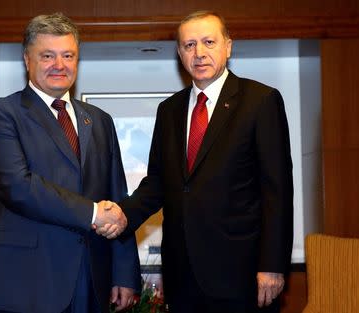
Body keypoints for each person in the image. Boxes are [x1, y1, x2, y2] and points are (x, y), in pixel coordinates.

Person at [97, 10, 294, 313]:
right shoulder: (169, 110)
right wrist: (122, 214)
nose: (199, 53)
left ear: (228, 46)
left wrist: (272, 266)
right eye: (189, 45)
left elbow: (277, 191)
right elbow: (158, 183)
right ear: (179, 53)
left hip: (243, 277)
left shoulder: (260, 101)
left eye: (208, 42)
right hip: (183, 277)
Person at [0, 13, 140, 313]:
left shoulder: (100, 121)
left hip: (92, 279)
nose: (59, 65)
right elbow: (18, 187)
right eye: (47, 56)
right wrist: (92, 213)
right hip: (27, 283)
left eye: (68, 55)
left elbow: (116, 195)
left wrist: (124, 273)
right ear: (27, 60)